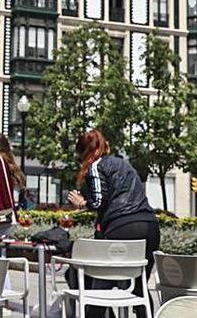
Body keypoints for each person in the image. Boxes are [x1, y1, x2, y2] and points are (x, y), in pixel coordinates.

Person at [67, 130, 159, 318]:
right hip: (150, 225)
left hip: (123, 227)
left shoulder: (95, 166)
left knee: (101, 288)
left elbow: (99, 200)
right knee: (139, 286)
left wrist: (82, 203)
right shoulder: (123, 164)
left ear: (85, 152)